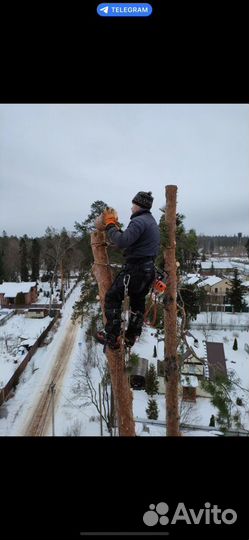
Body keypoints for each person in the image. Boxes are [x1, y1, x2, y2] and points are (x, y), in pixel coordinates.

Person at [96, 191, 160, 350]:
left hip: (136, 270)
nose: (131, 208)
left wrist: (110, 225)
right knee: (138, 301)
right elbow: (130, 243)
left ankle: (112, 337)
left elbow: (123, 241)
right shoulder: (151, 222)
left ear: (139, 205)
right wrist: (116, 235)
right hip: (148, 270)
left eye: (133, 205)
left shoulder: (138, 222)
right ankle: (131, 336)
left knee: (112, 298)